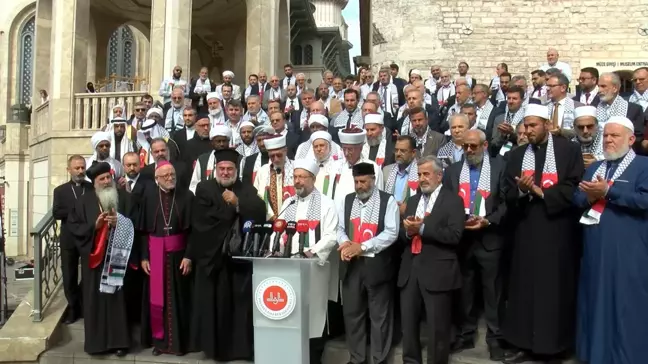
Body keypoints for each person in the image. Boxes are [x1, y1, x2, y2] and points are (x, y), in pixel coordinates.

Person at [501, 104, 584, 364]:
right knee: (524, 287)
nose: (528, 130)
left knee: (554, 288)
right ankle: (523, 343)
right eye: (526, 126)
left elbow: (574, 186)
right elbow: (507, 192)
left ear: (547, 125)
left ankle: (555, 346)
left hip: (557, 229)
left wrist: (542, 193)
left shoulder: (567, 150)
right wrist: (524, 192)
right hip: (526, 230)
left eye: (533, 125)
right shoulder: (516, 155)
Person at [574, 116, 648, 364]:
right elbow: (577, 199)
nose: (608, 140)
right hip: (595, 248)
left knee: (628, 304)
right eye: (605, 135)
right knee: (595, 302)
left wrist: (608, 191)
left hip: (630, 251)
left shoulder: (644, 166)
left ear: (631, 139)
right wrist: (591, 196)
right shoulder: (595, 167)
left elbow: (644, 201)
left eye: (614, 135)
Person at [189, 149, 266, 362]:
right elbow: (202, 222)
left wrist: (238, 202)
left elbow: (260, 210)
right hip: (213, 261)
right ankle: (216, 350)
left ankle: (240, 350)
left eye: (229, 169)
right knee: (215, 308)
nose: (225, 172)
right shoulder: (204, 188)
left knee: (238, 308)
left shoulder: (244, 189)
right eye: (221, 169)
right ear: (215, 169)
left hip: (237, 264)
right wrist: (234, 211)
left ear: (236, 170)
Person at [442, 129, 507, 361]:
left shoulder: (499, 167)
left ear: (485, 145)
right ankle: (466, 333)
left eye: (474, 146)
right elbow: (447, 204)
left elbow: (507, 204)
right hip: (463, 241)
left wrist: (488, 220)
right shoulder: (453, 171)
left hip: (490, 238)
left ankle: (495, 337)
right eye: (466, 147)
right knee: (465, 291)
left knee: (493, 292)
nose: (469, 150)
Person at [270, 158, 339, 364]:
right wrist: (274, 248)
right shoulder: (289, 202)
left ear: (313, 179)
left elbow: (331, 235)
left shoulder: (326, 203)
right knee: (290, 312)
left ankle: (314, 357)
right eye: (295, 177)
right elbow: (278, 230)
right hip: (288, 269)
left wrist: (311, 252)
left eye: (302, 177)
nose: (297, 181)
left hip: (314, 269)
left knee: (313, 317)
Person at [398, 155, 465, 364]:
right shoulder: (414, 200)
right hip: (411, 270)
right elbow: (403, 235)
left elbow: (455, 236)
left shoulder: (453, 200)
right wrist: (409, 232)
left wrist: (424, 229)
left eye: (426, 174)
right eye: (419, 175)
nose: (422, 178)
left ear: (439, 175)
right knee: (408, 327)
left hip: (438, 272)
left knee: (437, 329)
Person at [67, 162, 135, 356]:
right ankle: (96, 344)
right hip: (94, 260)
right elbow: (74, 228)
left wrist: (120, 222)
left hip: (117, 259)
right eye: (101, 179)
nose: (106, 182)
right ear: (94, 182)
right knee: (94, 301)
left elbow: (136, 223)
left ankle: (119, 342)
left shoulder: (124, 198)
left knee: (117, 300)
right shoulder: (82, 202)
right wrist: (94, 227)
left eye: (108, 177)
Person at [337, 162, 399, 364]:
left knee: (379, 318)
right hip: (352, 266)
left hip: (377, 267)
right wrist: (345, 243)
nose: (359, 186)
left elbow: (391, 232)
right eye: (356, 181)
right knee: (352, 315)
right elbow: (339, 227)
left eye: (363, 181)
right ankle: (357, 359)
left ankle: (379, 360)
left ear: (373, 180)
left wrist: (362, 247)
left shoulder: (387, 201)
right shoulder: (347, 200)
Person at [138, 161, 193, 356]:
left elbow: (193, 231)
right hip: (155, 255)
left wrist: (188, 257)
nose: (170, 178)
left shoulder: (187, 196)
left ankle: (180, 343)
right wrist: (144, 257)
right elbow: (143, 230)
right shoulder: (149, 197)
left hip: (179, 256)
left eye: (172, 175)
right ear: (156, 179)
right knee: (157, 300)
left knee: (180, 300)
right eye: (165, 176)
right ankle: (160, 343)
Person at [52, 155, 93, 325]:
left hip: (88, 238)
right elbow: (57, 213)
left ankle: (85, 307)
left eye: (83, 167)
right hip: (69, 239)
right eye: (77, 168)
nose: (80, 171)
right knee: (69, 276)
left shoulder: (91, 188)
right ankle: (73, 308)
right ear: (69, 170)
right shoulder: (60, 191)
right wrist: (77, 210)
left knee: (88, 275)